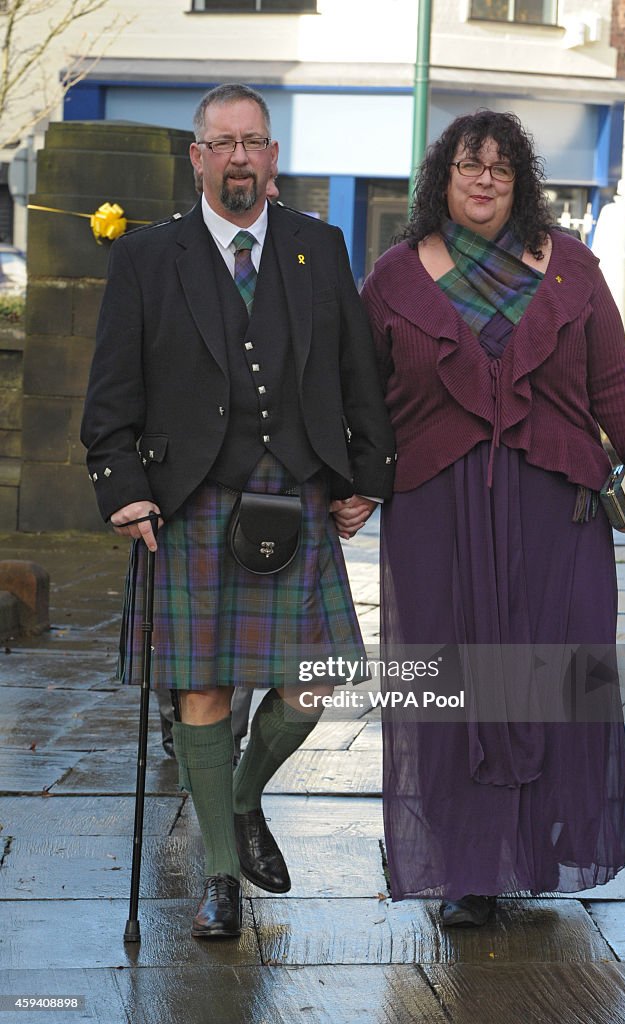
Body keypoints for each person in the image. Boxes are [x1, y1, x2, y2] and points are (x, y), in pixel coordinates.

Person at [81, 82, 395, 939]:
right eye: (222, 144)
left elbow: (355, 370)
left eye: (253, 141)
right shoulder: (150, 257)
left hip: (297, 491)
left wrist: (367, 473)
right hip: (191, 499)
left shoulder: (317, 246)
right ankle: (221, 872)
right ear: (198, 158)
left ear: (274, 157)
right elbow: (112, 391)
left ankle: (242, 796)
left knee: (315, 679)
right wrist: (121, 484)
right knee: (206, 689)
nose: (239, 158)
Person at [361, 110, 625, 927]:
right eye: (470, 165)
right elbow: (358, 396)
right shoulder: (393, 278)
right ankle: (467, 870)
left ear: (522, 180)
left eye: (501, 167)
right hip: (434, 512)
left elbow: (613, 381)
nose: (486, 179)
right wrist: (348, 482)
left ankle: (538, 849)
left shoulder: (571, 270)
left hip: (554, 512)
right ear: (443, 177)